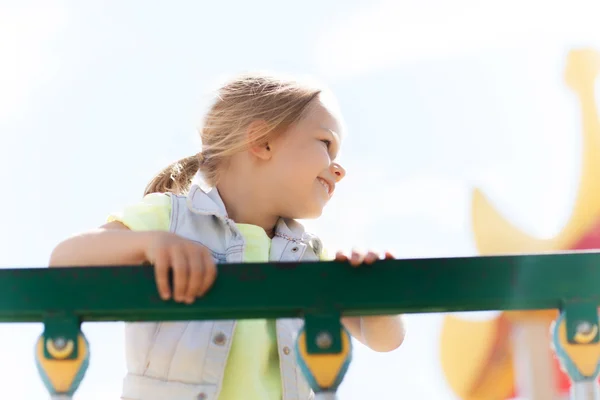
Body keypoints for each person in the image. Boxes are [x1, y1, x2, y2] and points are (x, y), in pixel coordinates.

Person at [49, 72, 406, 400]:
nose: (339, 168)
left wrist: (374, 290)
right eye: (326, 144)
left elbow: (386, 341)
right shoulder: (170, 218)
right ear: (262, 142)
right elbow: (65, 258)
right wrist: (152, 244)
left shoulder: (309, 255)